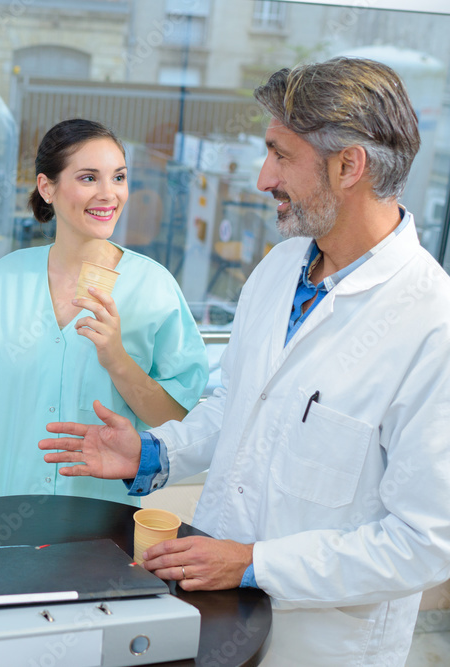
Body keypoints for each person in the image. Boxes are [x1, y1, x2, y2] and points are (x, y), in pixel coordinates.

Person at [40, 58, 450, 666]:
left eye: (280, 155)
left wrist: (256, 562)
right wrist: (153, 453)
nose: (263, 178)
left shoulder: (432, 326)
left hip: (322, 645)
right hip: (215, 613)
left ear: (349, 166)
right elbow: (238, 408)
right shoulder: (280, 270)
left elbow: (425, 544)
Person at [0, 119, 207, 504]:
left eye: (119, 177)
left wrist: (117, 360)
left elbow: (173, 419)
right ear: (47, 188)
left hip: (100, 519)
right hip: (2, 507)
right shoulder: (3, 280)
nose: (108, 194)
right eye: (88, 178)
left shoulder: (154, 288)